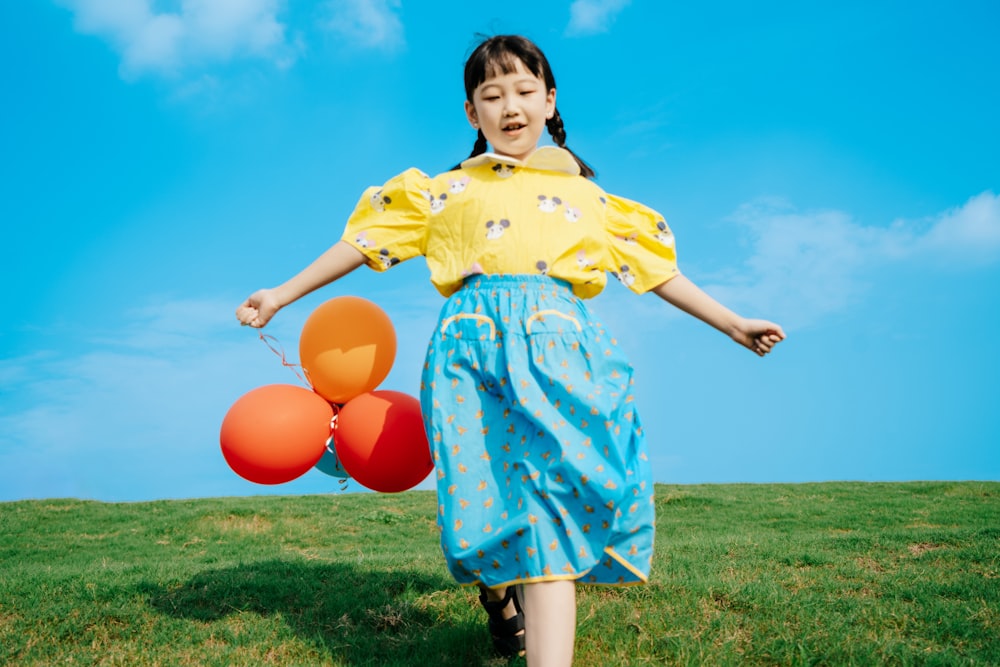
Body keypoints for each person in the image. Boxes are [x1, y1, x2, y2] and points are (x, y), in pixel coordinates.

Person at [236, 34, 784, 667]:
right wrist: (281, 293)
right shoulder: (442, 193)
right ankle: (498, 596)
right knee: (484, 503)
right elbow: (364, 242)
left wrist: (734, 323)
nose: (510, 105)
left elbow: (656, 271)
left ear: (550, 101)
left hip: (562, 356)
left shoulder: (590, 199)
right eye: (491, 95)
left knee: (549, 518)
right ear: (473, 113)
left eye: (525, 90)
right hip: (469, 361)